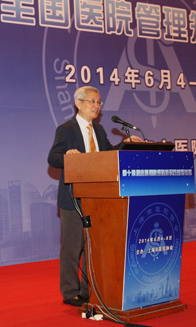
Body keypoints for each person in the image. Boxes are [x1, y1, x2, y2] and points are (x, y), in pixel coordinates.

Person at [47, 86, 142, 307]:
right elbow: (53, 158)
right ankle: (70, 291)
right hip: (73, 198)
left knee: (93, 247)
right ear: (78, 103)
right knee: (72, 247)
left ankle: (88, 290)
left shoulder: (98, 130)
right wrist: (68, 156)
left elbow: (107, 154)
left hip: (97, 198)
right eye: (92, 101)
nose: (96, 106)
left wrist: (125, 145)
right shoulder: (66, 129)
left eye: (99, 102)